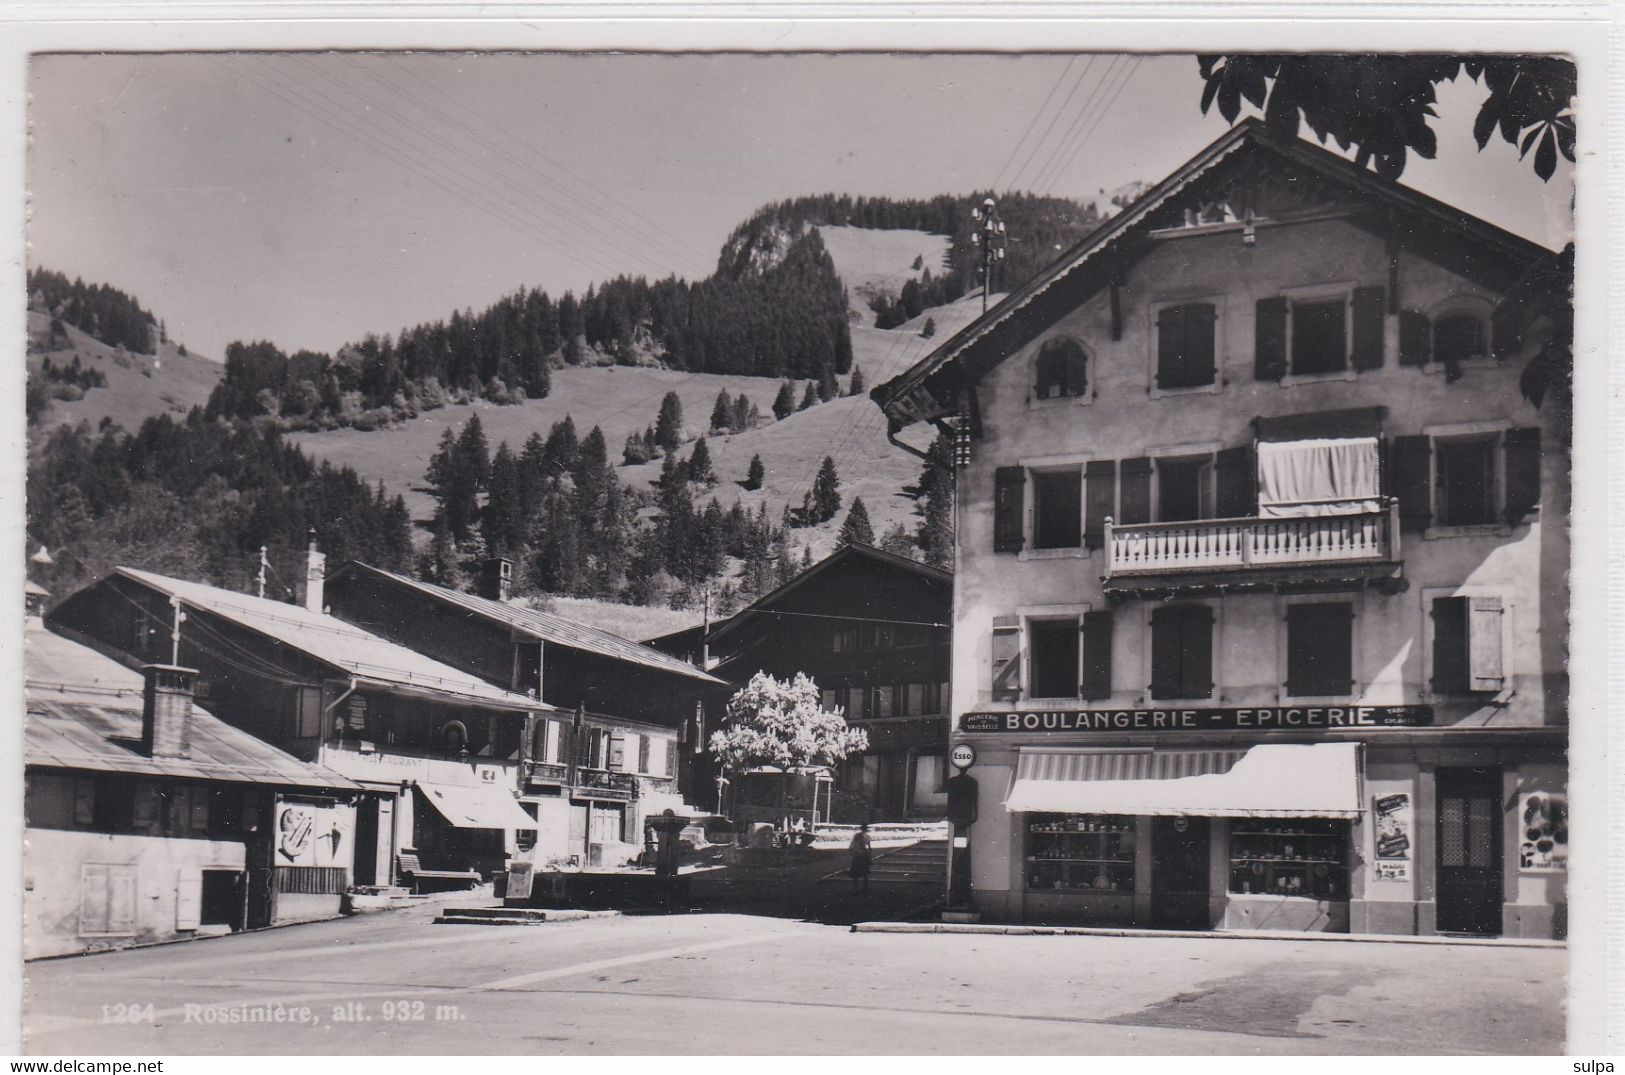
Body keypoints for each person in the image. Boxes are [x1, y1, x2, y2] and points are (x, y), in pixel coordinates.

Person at [848, 823, 872, 894]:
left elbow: (851, 846)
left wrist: (852, 852)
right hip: (864, 856)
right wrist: (869, 856)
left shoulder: (856, 836)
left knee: (855, 873)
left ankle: (856, 889)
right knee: (865, 873)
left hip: (857, 856)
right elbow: (869, 847)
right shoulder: (867, 836)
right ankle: (865, 888)